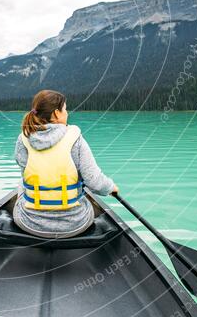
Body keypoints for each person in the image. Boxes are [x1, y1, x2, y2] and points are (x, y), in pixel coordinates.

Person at [13, 89, 118, 238]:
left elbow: (25, 174)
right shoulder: (76, 139)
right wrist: (111, 188)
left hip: (29, 223)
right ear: (56, 113)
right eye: (65, 109)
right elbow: (95, 183)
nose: (67, 112)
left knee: (21, 183)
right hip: (76, 224)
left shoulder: (23, 138)